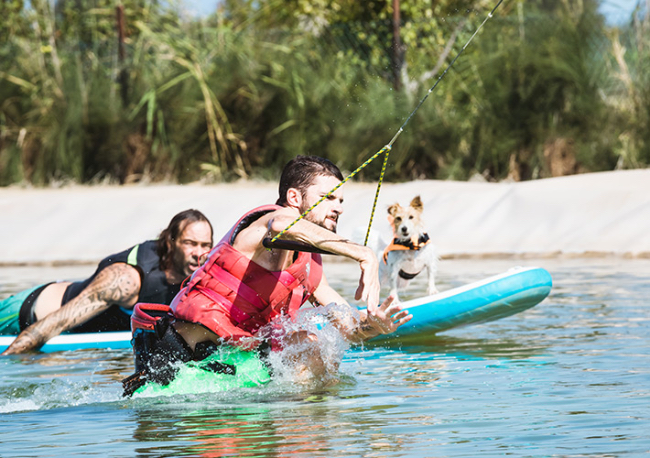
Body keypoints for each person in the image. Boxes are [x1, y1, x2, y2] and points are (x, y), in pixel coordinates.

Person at [123, 156, 411, 394]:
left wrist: (374, 325)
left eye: (341, 200)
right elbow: (283, 224)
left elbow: (346, 321)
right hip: (180, 360)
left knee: (309, 345)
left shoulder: (309, 264)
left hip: (233, 364)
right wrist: (365, 254)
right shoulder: (266, 223)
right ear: (294, 197)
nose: (338, 207)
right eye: (328, 197)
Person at [1, 209, 214, 355]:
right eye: (190, 243)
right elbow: (52, 325)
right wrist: (11, 363)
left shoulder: (196, 276)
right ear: (170, 242)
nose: (199, 253)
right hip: (25, 315)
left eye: (206, 245)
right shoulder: (125, 280)